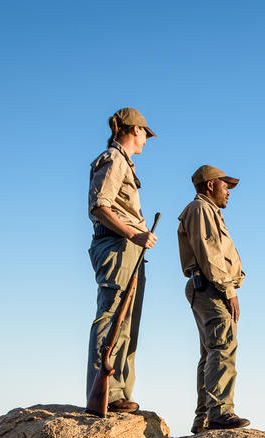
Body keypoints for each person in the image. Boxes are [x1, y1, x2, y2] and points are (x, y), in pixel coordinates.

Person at [86, 107, 158, 413]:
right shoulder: (113, 159)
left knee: (128, 322)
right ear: (135, 130)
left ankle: (119, 393)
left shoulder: (124, 163)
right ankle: (105, 392)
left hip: (128, 248)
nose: (146, 140)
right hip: (117, 245)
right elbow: (99, 206)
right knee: (113, 316)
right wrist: (132, 234)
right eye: (145, 133)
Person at [177, 165, 250, 432]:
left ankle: (205, 418)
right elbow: (211, 254)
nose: (228, 191)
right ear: (210, 185)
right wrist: (228, 290)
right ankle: (220, 412)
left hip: (206, 285)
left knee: (210, 352)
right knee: (222, 346)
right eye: (225, 184)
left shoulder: (207, 211)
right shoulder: (201, 209)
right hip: (211, 286)